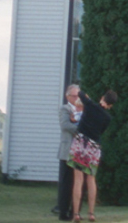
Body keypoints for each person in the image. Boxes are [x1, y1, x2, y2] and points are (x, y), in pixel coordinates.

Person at [68, 86, 117, 222]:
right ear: (111, 105)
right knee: (91, 179)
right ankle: (91, 213)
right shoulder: (107, 118)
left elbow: (80, 93)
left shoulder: (89, 104)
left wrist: (87, 97)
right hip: (94, 146)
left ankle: (76, 214)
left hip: (80, 142)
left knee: (78, 179)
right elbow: (100, 132)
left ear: (102, 97)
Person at [55, 84, 82, 221]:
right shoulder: (64, 109)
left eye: (79, 95)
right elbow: (65, 125)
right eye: (74, 96)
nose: (77, 98)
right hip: (67, 151)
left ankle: (75, 211)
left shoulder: (83, 109)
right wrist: (82, 130)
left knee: (79, 182)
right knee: (66, 183)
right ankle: (63, 211)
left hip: (81, 151)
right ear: (68, 96)